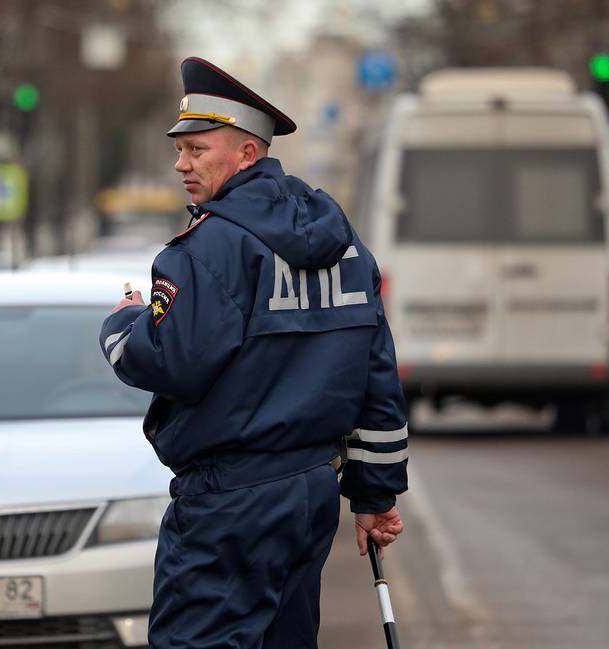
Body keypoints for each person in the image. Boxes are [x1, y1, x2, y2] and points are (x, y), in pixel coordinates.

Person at [99, 57, 408, 648]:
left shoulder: (208, 248)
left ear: (246, 154)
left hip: (227, 503)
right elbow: (377, 378)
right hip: (309, 495)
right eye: (180, 150)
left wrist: (122, 327)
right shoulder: (347, 249)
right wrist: (374, 496)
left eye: (196, 149)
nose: (180, 163)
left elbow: (171, 363)